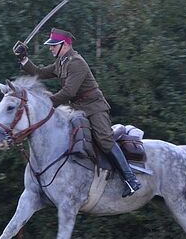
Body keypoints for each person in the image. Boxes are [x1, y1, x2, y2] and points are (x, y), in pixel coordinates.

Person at [14, 28, 142, 197]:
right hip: (78, 109)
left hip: (94, 107)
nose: (50, 48)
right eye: (51, 45)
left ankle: (131, 179)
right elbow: (39, 73)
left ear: (65, 45)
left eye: (54, 45)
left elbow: (69, 92)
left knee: (104, 139)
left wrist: (46, 103)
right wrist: (23, 59)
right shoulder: (61, 62)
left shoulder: (76, 63)